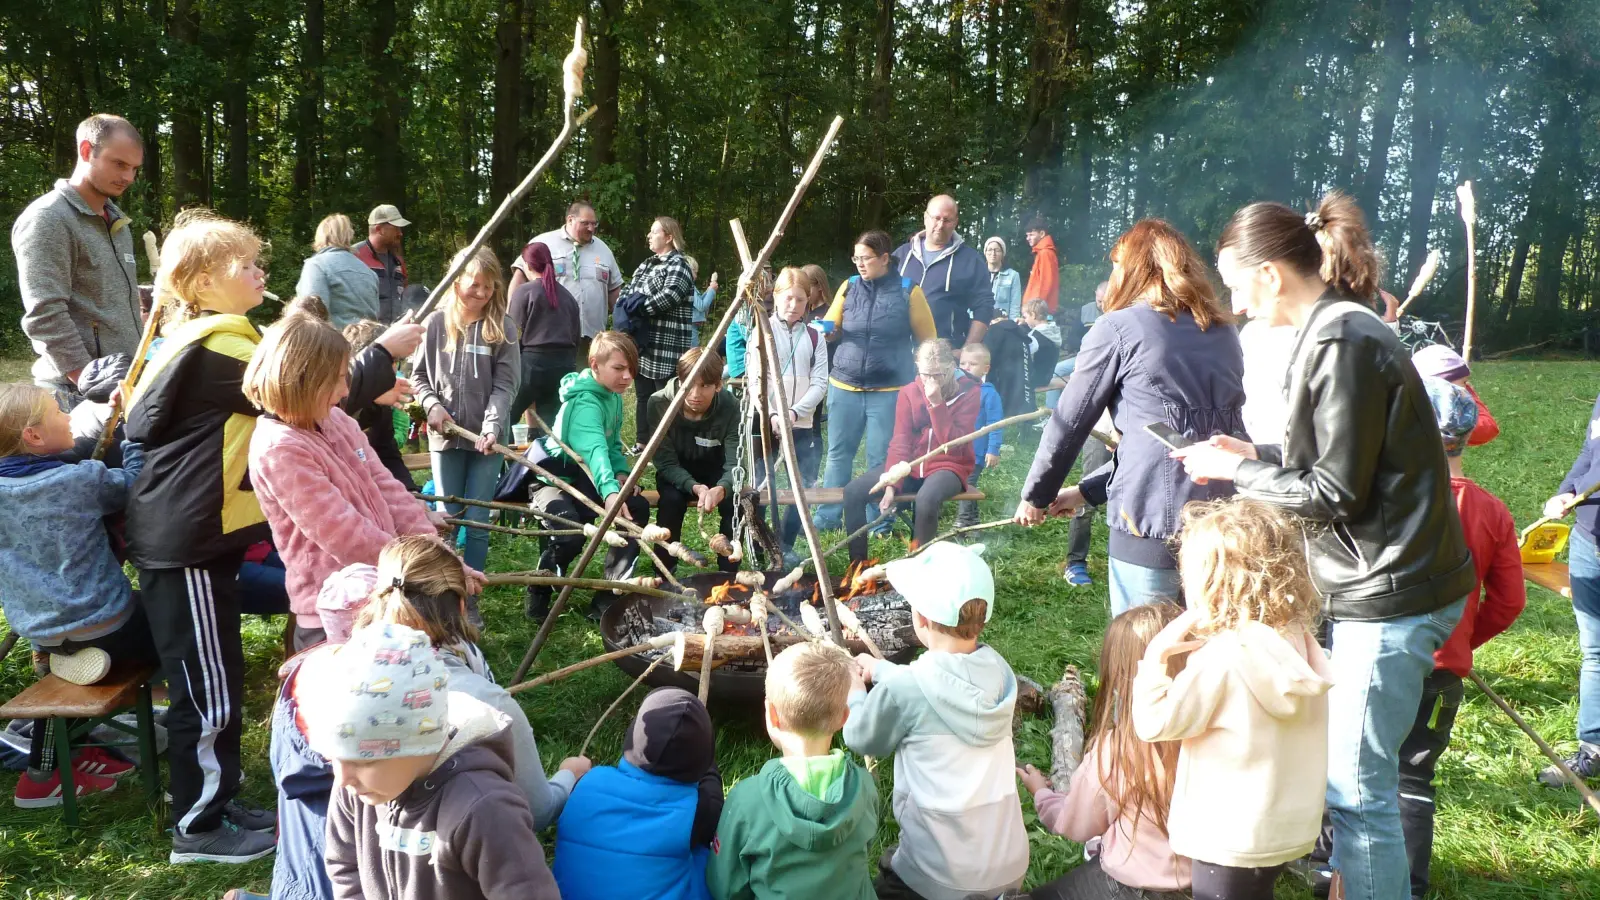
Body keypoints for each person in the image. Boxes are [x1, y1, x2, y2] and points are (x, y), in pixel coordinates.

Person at [1170, 192, 1474, 900]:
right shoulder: (1341, 330)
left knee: (1356, 792)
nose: (1235, 305)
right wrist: (1255, 453)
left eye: (1236, 285)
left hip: (1391, 591)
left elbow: (1334, 492)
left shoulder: (1341, 342)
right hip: (1390, 579)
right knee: (1354, 785)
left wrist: (1236, 475)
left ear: (1270, 274)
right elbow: (1351, 457)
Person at [123, 210, 278, 863]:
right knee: (205, 688)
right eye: (246, 265)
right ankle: (198, 826)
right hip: (186, 539)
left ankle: (219, 796)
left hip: (193, 540)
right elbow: (298, 389)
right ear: (203, 283)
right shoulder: (218, 348)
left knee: (215, 676)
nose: (260, 272)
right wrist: (380, 359)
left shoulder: (206, 339)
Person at [1016, 219, 1246, 616]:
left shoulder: (1118, 327)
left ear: (1133, 268)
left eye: (1117, 265)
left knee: (1142, 645)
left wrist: (1036, 495)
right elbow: (1172, 439)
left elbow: (1070, 423)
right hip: (1222, 521)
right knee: (1206, 646)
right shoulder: (1223, 331)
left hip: (1149, 526)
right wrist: (1085, 492)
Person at [1349, 377, 1523, 898]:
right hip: (1442, 672)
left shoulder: (1385, 498)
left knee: (1356, 769)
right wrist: (1459, 640)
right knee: (1413, 777)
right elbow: (1509, 602)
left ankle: (1331, 872)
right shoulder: (1492, 510)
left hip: (1375, 660)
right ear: (1467, 438)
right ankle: (1411, 887)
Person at [1131, 498, 1333, 900]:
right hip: (1284, 827)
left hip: (1227, 835)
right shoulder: (1299, 641)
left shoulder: (1222, 658)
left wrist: (1155, 657)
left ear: (1209, 582)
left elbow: (1154, 724)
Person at [312, 623, 561, 900]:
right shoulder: (358, 789)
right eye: (334, 758)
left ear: (418, 743)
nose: (342, 778)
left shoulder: (485, 808)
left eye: (364, 762)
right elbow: (344, 866)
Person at [244, 313, 447, 650]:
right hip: (332, 612)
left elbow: (387, 488)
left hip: (382, 592)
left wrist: (434, 550)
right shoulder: (279, 448)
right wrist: (422, 568)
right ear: (301, 380)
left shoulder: (336, 420)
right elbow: (345, 534)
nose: (345, 390)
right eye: (336, 379)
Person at [843, 541, 1028, 900]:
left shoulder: (907, 689)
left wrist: (854, 692)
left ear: (922, 619)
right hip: (1008, 866)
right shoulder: (999, 672)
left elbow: (861, 736)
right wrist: (881, 669)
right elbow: (939, 683)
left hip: (939, 876)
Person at [0, 383, 154, 809]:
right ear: (33, 435)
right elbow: (135, 484)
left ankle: (70, 751)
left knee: (68, 648)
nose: (69, 416)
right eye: (58, 411)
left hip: (43, 633)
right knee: (179, 621)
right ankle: (189, 729)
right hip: (108, 627)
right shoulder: (77, 480)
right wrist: (132, 433)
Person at [1016, 602, 1192, 900]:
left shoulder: (1120, 748)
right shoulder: (1220, 734)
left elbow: (1076, 823)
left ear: (1119, 674)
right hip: (1209, 882)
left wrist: (1042, 795)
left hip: (1134, 886)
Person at [707, 641, 879, 900]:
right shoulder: (864, 786)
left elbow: (725, 886)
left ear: (772, 715)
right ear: (844, 718)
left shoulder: (746, 800)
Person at [13, 114, 144, 396]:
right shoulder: (48, 218)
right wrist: (89, 379)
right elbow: (45, 314)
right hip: (74, 393)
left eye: (134, 168)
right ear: (86, 151)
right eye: (119, 164)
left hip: (121, 388)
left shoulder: (118, 222)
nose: (128, 177)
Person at [521, 331, 649, 620]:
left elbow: (611, 446)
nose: (627, 377)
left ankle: (609, 593)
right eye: (619, 368)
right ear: (595, 365)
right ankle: (539, 589)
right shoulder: (585, 404)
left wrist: (621, 474)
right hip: (554, 480)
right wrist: (611, 494)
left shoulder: (612, 396)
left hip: (588, 480)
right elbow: (595, 452)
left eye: (631, 369)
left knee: (635, 508)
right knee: (570, 530)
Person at [553, 686, 723, 900]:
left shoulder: (587, 782)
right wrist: (708, 764)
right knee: (713, 858)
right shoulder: (694, 811)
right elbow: (713, 795)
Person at [816, 230, 936, 530]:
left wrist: (926, 380)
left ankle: (878, 521)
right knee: (838, 454)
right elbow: (831, 324)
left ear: (884, 258)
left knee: (881, 458)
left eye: (866, 258)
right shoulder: (849, 286)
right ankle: (828, 517)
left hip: (890, 390)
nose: (859, 263)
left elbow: (928, 342)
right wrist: (829, 332)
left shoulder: (909, 291)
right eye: (856, 258)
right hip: (844, 385)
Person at [413, 245, 519, 574]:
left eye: (489, 286)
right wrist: (431, 406)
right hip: (445, 438)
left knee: (477, 521)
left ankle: (471, 592)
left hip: (487, 442)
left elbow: (506, 385)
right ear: (456, 282)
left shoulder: (502, 327)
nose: (482, 293)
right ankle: (444, 588)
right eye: (475, 285)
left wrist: (492, 426)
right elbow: (418, 376)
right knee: (447, 518)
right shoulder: (435, 323)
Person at [843, 340, 981, 562]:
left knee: (927, 499)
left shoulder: (969, 392)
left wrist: (937, 404)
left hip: (950, 465)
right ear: (917, 367)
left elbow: (954, 445)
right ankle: (858, 568)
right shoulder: (909, 392)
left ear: (951, 367)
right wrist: (892, 483)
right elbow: (901, 440)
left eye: (937, 374)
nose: (930, 380)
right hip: (910, 466)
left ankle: (920, 567)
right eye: (925, 374)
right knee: (853, 492)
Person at [1537, 386, 1600, 785]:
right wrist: (1567, 491)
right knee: (1595, 652)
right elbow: (1590, 453)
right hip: (1588, 541)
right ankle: (1593, 749)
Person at [747, 266, 829, 558]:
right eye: (788, 298)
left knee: (803, 487)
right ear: (777, 296)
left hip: (803, 423)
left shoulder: (815, 337)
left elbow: (820, 382)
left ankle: (786, 545)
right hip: (766, 420)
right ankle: (760, 545)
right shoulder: (761, 332)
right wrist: (772, 414)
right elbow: (756, 380)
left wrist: (793, 413)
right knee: (762, 484)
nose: (794, 305)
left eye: (800, 299)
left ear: (809, 300)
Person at [646, 348, 741, 575]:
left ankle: (728, 573)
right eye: (688, 384)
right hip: (675, 472)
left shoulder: (730, 406)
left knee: (736, 501)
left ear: (718, 385)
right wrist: (694, 487)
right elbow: (665, 461)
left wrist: (722, 488)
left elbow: (735, 463)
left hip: (715, 471)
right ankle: (664, 573)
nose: (695, 394)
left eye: (704, 386)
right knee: (670, 501)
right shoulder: (659, 403)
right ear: (679, 380)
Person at [616, 216, 697, 435]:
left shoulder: (679, 265)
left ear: (669, 237)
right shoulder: (647, 263)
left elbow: (670, 296)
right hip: (643, 343)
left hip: (666, 346)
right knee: (643, 396)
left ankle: (666, 445)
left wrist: (638, 307)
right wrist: (627, 305)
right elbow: (627, 291)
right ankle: (642, 442)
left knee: (665, 398)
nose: (649, 236)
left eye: (654, 232)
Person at [518, 200, 623, 362]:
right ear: (570, 220)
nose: (591, 228)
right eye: (585, 223)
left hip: (592, 339)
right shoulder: (543, 243)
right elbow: (519, 278)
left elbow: (614, 292)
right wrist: (512, 323)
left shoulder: (604, 250)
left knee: (587, 377)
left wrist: (622, 327)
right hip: (552, 338)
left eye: (594, 224)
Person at [892, 194, 994, 343]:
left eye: (947, 220)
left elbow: (984, 306)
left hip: (945, 349)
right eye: (936, 218)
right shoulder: (901, 255)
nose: (940, 225)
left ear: (955, 222)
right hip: (898, 348)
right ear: (925, 218)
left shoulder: (971, 260)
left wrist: (968, 348)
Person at [507, 240, 581, 431]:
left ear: (528, 265)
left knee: (505, 418)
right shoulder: (568, 297)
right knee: (551, 428)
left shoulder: (524, 292)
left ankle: (500, 450)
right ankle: (542, 449)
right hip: (563, 365)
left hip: (532, 365)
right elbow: (576, 336)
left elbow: (512, 334)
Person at [340, 319, 419, 486]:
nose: (394, 369)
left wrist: (411, 492)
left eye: (397, 361)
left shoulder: (381, 406)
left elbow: (388, 455)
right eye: (389, 361)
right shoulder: (333, 403)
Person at [295, 214, 380, 328]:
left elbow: (311, 315)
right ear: (349, 236)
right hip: (370, 337)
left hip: (334, 338)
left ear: (321, 236)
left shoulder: (316, 265)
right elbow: (375, 314)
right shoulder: (369, 272)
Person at [1411, 344, 1499, 446]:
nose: (1466, 386)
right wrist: (1469, 395)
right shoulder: (1455, 423)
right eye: (1464, 382)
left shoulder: (1412, 413)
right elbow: (1488, 428)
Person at [954, 343, 1001, 529]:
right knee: (968, 486)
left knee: (966, 484)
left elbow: (995, 424)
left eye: (972, 364)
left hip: (976, 451)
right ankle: (973, 524)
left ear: (985, 369)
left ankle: (963, 522)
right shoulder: (956, 390)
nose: (966, 367)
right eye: (962, 363)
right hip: (958, 450)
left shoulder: (989, 393)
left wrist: (993, 449)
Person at [351, 205, 411, 323]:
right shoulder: (353, 256)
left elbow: (405, 294)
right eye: (396, 228)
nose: (400, 233)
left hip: (396, 330)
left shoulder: (398, 261)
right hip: (365, 331)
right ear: (379, 229)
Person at [1023, 215, 1061, 317]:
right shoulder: (1042, 253)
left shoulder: (1045, 253)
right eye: (1027, 235)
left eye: (1031, 235)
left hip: (1038, 313)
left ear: (1042, 234)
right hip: (1037, 312)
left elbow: (1045, 284)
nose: (1028, 238)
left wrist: (1035, 310)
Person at [985, 236, 1024, 321]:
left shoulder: (1013, 276)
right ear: (985, 252)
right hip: (980, 322)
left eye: (997, 250)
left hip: (1002, 323)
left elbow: (1015, 305)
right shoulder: (977, 274)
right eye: (990, 250)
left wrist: (1012, 324)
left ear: (1003, 254)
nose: (993, 253)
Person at [689, 256, 718, 341]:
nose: (696, 276)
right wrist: (712, 290)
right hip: (690, 327)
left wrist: (708, 290)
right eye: (695, 272)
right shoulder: (689, 286)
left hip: (692, 325)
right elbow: (701, 306)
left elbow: (699, 301)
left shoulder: (691, 287)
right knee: (693, 349)